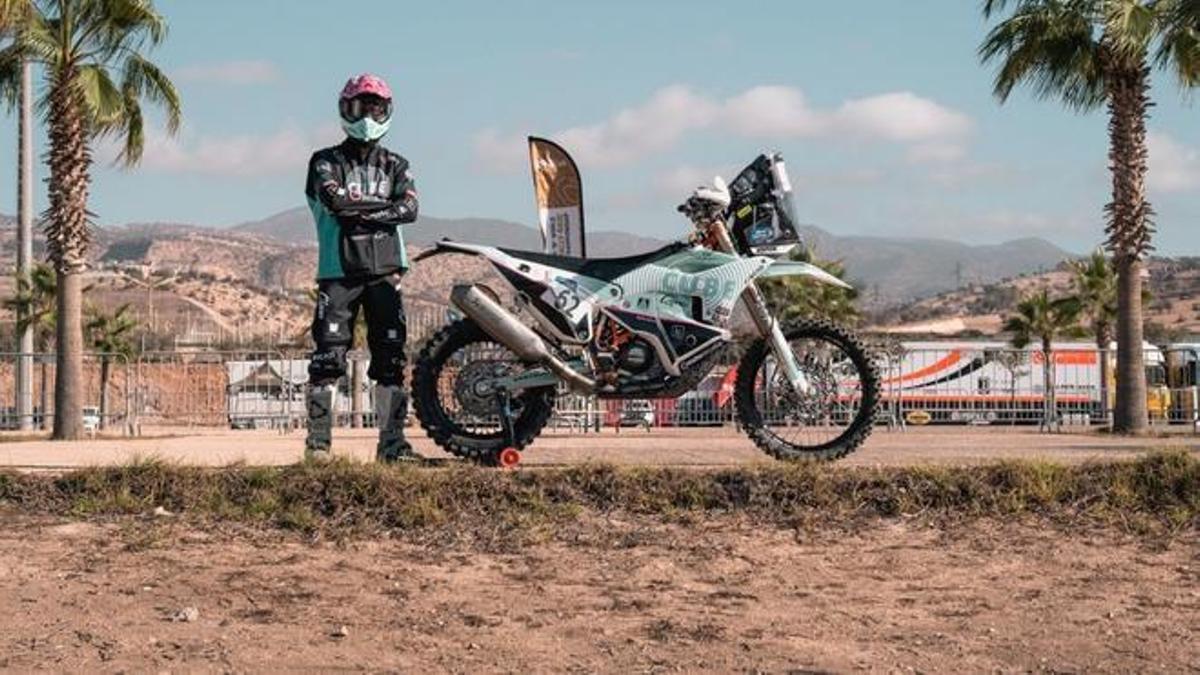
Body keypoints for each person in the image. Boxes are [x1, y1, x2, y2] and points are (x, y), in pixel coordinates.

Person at [304, 73, 419, 462]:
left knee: (391, 361)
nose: (367, 117)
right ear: (344, 110)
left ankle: (392, 445)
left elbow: (411, 209)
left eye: (375, 108)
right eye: (358, 108)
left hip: (386, 273)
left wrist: (361, 212)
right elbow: (336, 203)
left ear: (387, 112)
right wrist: (385, 211)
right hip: (337, 273)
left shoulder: (397, 164)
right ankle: (318, 446)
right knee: (327, 359)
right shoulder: (324, 161)